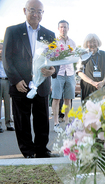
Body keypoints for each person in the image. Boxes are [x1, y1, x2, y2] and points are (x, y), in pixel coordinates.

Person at [2, 0, 60, 158]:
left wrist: (53, 70)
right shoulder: (13, 31)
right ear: (24, 10)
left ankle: (42, 149)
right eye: (32, 10)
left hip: (41, 84)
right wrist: (15, 79)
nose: (36, 14)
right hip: (20, 85)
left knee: (42, 120)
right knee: (22, 121)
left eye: (39, 11)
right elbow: (7, 58)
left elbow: (55, 59)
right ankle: (27, 151)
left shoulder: (49, 34)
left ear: (43, 13)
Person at [51, 20, 76, 133]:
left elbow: (75, 57)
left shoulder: (73, 42)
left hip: (70, 73)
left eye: (65, 27)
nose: (63, 29)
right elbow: (50, 57)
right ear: (58, 28)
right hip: (58, 73)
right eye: (61, 27)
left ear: (68, 28)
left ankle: (67, 122)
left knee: (68, 99)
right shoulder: (54, 42)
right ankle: (56, 123)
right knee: (56, 98)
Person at [76, 34, 105, 101]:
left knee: (103, 109)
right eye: (90, 42)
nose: (92, 44)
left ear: (98, 42)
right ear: (86, 44)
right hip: (88, 87)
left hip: (103, 87)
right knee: (88, 109)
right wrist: (92, 82)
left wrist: (103, 82)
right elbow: (79, 72)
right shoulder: (83, 55)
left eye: (94, 42)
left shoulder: (104, 54)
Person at [0, 43, 15, 133]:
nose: (1, 51)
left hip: (7, 81)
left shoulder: (7, 60)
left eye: (2, 49)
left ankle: (8, 123)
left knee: (7, 103)